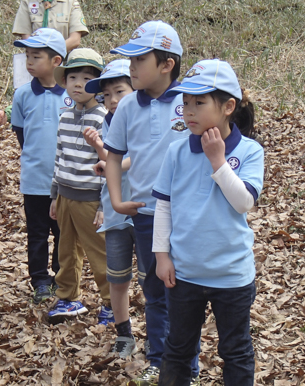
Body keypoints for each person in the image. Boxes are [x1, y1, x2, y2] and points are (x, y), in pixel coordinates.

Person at [153, 60, 263, 386]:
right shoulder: (176, 152)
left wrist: (218, 160)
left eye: (199, 103)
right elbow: (164, 206)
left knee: (236, 350)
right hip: (185, 273)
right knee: (178, 349)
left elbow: (244, 202)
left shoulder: (249, 151)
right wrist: (162, 255)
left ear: (228, 106)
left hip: (232, 275)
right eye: (185, 102)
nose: (189, 110)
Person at [102, 21, 200, 385]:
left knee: (188, 290)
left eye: (139, 59)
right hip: (145, 214)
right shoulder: (127, 106)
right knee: (156, 289)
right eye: (129, 59)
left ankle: (189, 365)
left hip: (188, 215)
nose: (131, 66)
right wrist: (116, 198)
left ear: (166, 64)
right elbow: (114, 156)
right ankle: (159, 359)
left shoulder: (188, 101)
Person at [46, 48, 112, 324]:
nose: (77, 83)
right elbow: (59, 156)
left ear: (98, 86)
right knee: (66, 249)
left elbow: (110, 164)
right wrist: (54, 195)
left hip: (90, 198)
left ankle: (111, 302)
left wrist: (105, 204)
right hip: (65, 195)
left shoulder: (103, 118)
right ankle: (68, 298)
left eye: (86, 78)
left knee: (99, 251)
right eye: (72, 77)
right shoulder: (64, 117)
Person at [82, 59, 136, 357]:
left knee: (153, 280)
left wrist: (106, 158)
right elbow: (109, 165)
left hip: (144, 209)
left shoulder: (144, 118)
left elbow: (133, 159)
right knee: (117, 277)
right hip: (115, 213)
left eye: (120, 91)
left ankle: (159, 335)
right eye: (107, 96)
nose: (113, 100)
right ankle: (124, 332)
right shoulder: (107, 122)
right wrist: (100, 149)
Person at [11, 28, 69, 304]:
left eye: (36, 56)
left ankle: (61, 278)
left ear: (56, 61)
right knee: (36, 233)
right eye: (27, 55)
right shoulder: (22, 95)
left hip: (66, 179)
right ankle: (39, 280)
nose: (29, 61)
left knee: (62, 233)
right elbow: (21, 134)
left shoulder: (71, 95)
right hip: (34, 180)